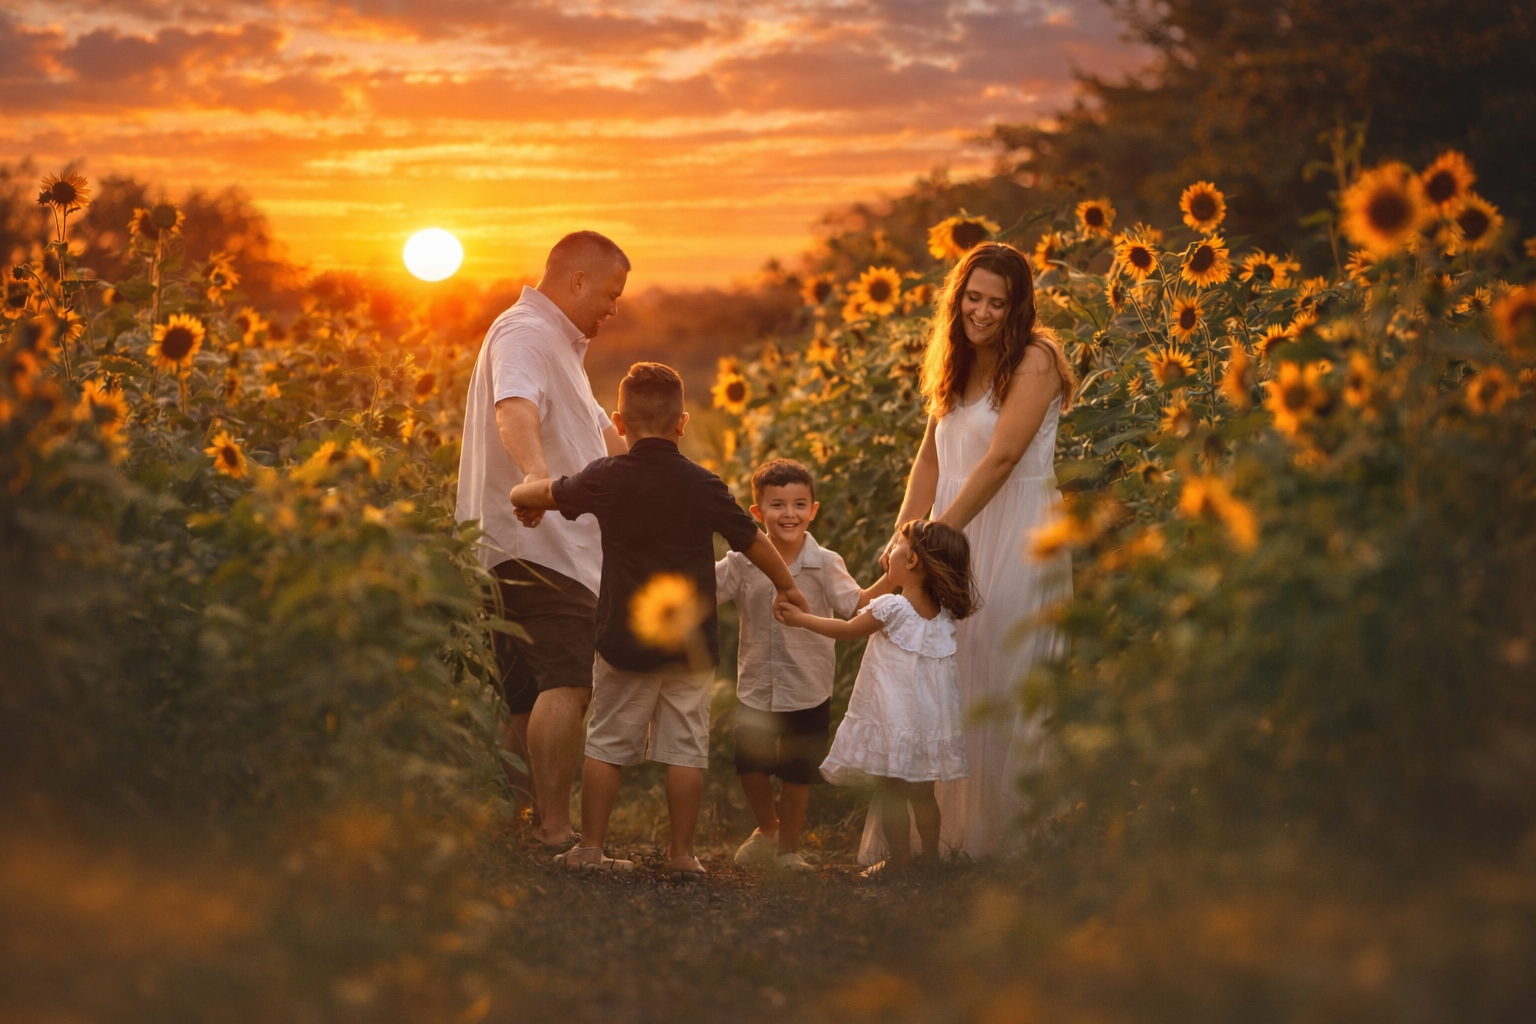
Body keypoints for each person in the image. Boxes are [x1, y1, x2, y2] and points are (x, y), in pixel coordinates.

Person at [511, 363, 809, 880]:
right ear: (682, 422)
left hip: (622, 642)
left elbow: (540, 495)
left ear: (620, 421)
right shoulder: (703, 484)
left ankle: (591, 849)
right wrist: (788, 585)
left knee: (606, 745)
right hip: (688, 647)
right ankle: (681, 855)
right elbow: (752, 541)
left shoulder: (604, 477)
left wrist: (525, 501)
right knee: (685, 752)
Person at [865, 242, 1076, 863]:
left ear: (1018, 307)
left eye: (996, 303)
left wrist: (934, 539)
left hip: (1015, 533)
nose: (981, 313)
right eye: (972, 298)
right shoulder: (956, 361)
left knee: (1000, 676)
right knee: (940, 677)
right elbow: (930, 458)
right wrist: (905, 534)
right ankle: (941, 842)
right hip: (952, 530)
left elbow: (1003, 458)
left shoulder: (1036, 358)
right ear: (957, 297)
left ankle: (1004, 842)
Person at [455, 230, 631, 849]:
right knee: (569, 682)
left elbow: (603, 443)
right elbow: (515, 406)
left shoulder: (561, 346)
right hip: (540, 546)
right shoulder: (527, 332)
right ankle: (556, 829)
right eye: (610, 295)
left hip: (526, 550)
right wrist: (535, 476)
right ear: (577, 279)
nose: (614, 309)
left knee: (527, 700)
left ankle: (518, 825)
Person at [776, 519, 975, 878]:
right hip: (926, 724)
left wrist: (802, 619)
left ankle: (900, 861)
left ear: (912, 561)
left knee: (891, 790)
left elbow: (848, 629)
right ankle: (930, 860)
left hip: (893, 718)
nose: (889, 554)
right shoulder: (942, 615)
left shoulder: (893, 607)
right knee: (923, 794)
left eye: (896, 547)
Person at [716, 459, 881, 874]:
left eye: (798, 504)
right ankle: (767, 829)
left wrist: (896, 580)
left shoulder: (825, 562)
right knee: (749, 765)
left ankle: (789, 850)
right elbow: (705, 589)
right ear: (757, 514)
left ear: (813, 510)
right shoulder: (741, 561)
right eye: (777, 505)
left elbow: (854, 605)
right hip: (756, 683)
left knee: (796, 772)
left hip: (808, 686)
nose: (788, 513)